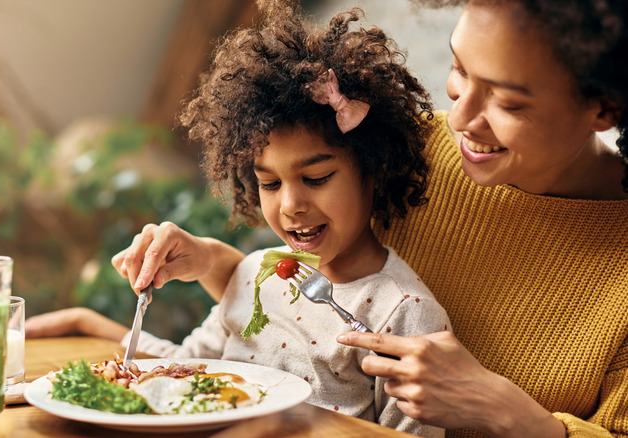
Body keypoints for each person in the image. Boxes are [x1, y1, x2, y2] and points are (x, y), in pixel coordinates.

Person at [103, 0, 628, 437]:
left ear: (605, 108)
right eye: (460, 71)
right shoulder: (408, 147)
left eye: (509, 102)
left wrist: (510, 414)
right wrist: (216, 261)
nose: (462, 120)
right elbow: (316, 315)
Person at [26, 1, 451, 435]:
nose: (289, 206)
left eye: (317, 177)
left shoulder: (403, 313)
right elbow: (185, 371)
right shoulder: (256, 276)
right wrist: (91, 327)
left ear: (374, 169)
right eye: (269, 184)